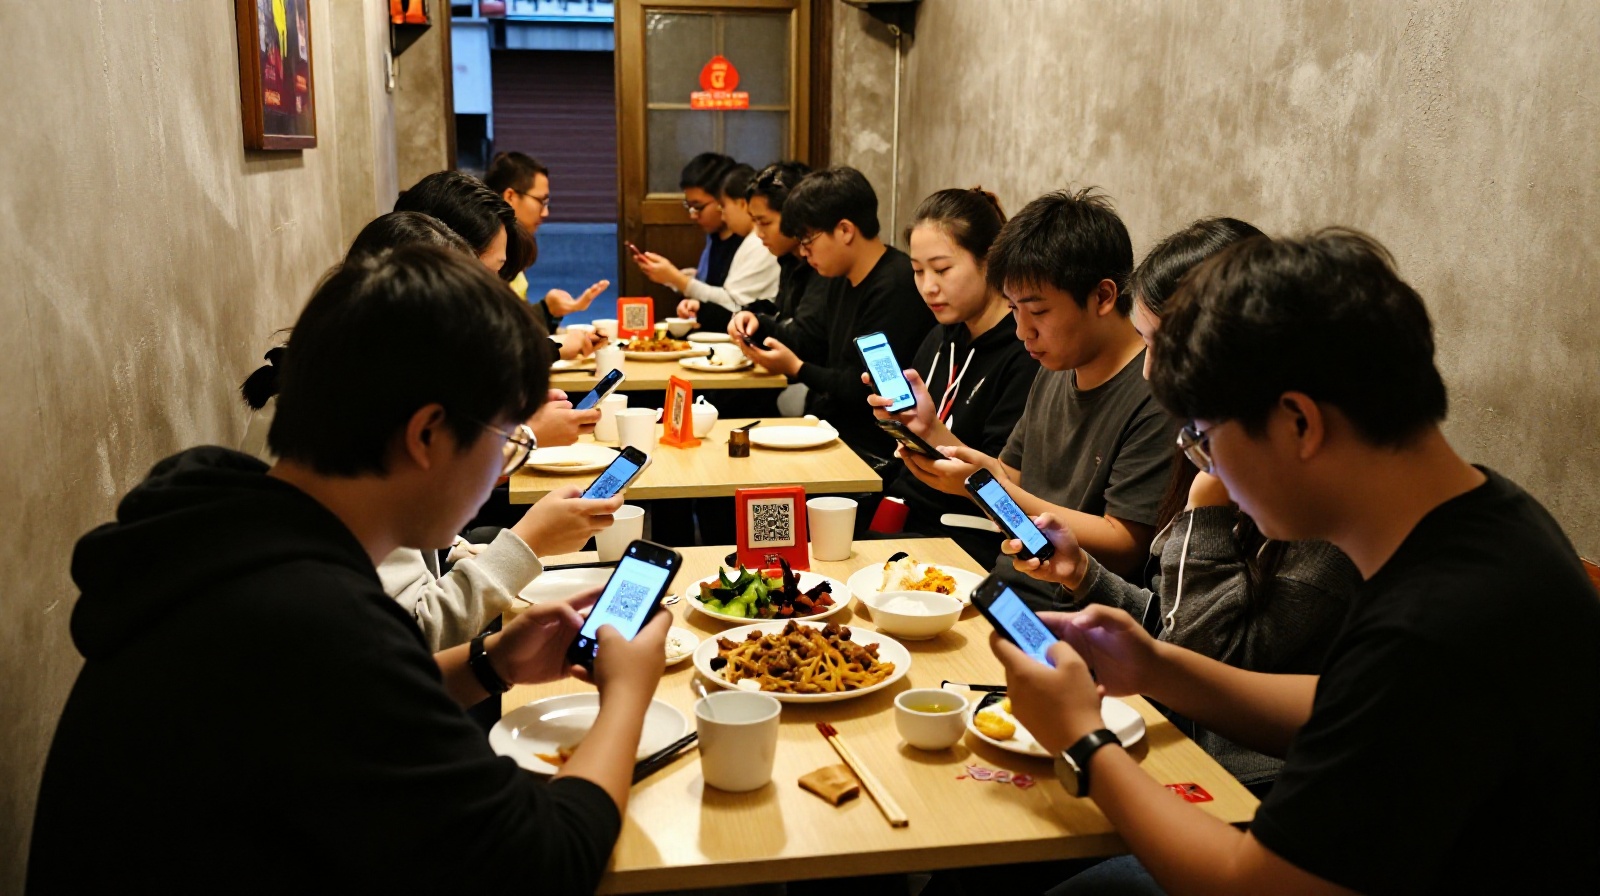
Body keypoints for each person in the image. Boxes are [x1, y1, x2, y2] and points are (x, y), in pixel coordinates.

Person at [29, 246, 670, 893]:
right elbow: (544, 865)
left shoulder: (228, 528)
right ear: (426, 436)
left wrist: (494, 662)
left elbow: (342, 709)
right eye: (506, 439)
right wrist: (627, 696)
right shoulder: (311, 621)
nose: (501, 468)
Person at [990, 230, 1600, 895]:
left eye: (1204, 438)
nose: (1207, 465)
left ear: (1299, 423)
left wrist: (1080, 738)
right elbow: (1352, 703)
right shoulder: (1485, 517)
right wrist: (1156, 666)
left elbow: (1255, 884)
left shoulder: (1439, 623)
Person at [1002, 217, 1360, 797]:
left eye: (1160, 346)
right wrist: (1083, 575)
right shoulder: (1223, 447)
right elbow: (1178, 633)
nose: (1149, 371)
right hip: (1178, 737)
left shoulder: (1322, 527)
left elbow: (1205, 677)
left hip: (1237, 782)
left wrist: (1204, 510)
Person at [896, 189, 1178, 608]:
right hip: (1005, 591)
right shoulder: (1054, 368)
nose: (1022, 331)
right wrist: (931, 430)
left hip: (1072, 616)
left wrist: (985, 489)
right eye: (1013, 309)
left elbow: (1125, 543)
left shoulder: (1154, 393)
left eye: (1038, 312)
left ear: (1102, 296)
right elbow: (1010, 474)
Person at [867, 187, 1038, 561]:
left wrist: (930, 432)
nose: (928, 286)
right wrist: (898, 424)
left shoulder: (1025, 352)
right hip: (909, 513)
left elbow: (998, 484)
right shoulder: (944, 336)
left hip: (966, 535)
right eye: (917, 271)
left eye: (942, 269)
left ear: (989, 261)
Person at [729, 166, 932, 463]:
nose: (803, 252)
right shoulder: (838, 277)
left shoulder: (896, 285)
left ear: (845, 230)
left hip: (872, 447)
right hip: (828, 429)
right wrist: (759, 325)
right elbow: (813, 342)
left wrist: (798, 368)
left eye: (807, 240)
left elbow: (862, 388)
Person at [650, 163, 781, 334]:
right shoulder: (741, 239)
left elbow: (732, 303)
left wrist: (678, 280)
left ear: (742, 204)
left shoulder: (759, 241)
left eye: (723, 206)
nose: (723, 215)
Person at [484, 150, 609, 330]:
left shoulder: (514, 245)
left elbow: (516, 324)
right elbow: (501, 334)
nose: (545, 212)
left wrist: (548, 309)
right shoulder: (486, 249)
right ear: (510, 196)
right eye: (540, 201)